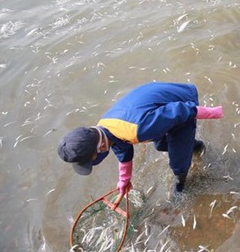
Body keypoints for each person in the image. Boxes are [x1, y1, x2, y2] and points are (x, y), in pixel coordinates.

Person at [57, 82, 223, 196]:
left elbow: (179, 110)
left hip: (183, 101)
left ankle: (181, 186)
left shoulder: (138, 130)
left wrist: (213, 113)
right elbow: (123, 150)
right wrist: (124, 181)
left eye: (90, 158)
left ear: (100, 147)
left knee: (178, 163)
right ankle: (195, 147)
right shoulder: (104, 127)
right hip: (156, 106)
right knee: (161, 145)